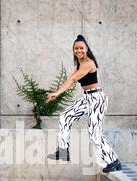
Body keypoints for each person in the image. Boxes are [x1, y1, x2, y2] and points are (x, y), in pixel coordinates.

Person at [46, 34, 121, 173]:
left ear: (86, 49)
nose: (78, 51)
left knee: (94, 133)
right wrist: (58, 91)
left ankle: (113, 161)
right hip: (87, 98)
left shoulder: (89, 63)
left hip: (97, 99)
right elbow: (70, 78)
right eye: (76, 48)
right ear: (73, 50)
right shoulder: (80, 64)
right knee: (65, 116)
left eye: (81, 48)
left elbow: (73, 80)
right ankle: (63, 150)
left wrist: (57, 93)